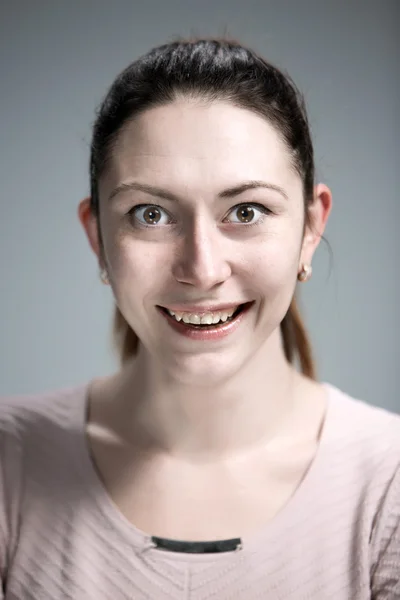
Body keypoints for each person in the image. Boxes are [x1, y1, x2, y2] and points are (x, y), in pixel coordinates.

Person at [0, 37, 399, 600]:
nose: (203, 268)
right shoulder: (9, 463)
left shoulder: (389, 487)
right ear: (98, 237)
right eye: (151, 214)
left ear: (311, 227)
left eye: (245, 211)